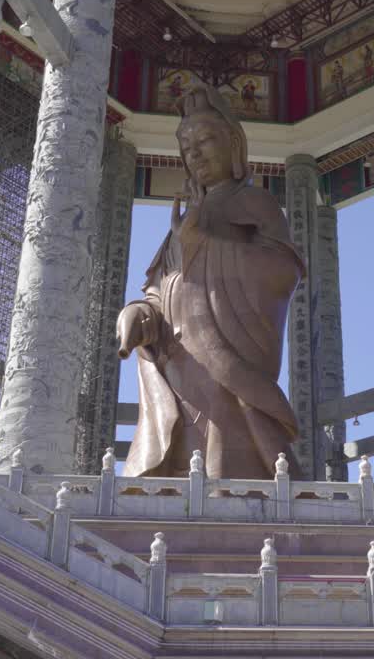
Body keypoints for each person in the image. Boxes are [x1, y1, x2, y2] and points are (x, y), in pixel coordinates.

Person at [117, 85, 304, 479]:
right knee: (180, 465)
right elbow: (162, 288)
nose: (195, 153)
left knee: (228, 465)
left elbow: (282, 272)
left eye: (205, 140)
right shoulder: (186, 217)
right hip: (180, 367)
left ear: (234, 144)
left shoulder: (257, 204)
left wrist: (204, 242)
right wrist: (140, 314)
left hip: (228, 363)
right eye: (187, 147)